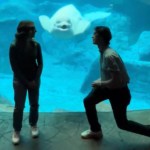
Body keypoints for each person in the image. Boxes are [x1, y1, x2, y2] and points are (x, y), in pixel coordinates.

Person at [81, 26, 150, 139]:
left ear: (101, 39)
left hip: (119, 93)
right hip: (109, 89)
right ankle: (95, 130)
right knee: (88, 101)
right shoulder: (103, 51)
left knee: (123, 124)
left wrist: (101, 83)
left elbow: (116, 81)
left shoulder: (109, 56)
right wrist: (101, 80)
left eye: (95, 35)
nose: (92, 36)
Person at [9, 20, 43, 144]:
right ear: (25, 31)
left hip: (34, 79)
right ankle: (16, 130)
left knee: (34, 104)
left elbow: (40, 63)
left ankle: (33, 124)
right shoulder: (14, 46)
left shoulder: (36, 45)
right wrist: (26, 82)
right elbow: (15, 67)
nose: (35, 31)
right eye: (33, 28)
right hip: (20, 80)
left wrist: (35, 79)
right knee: (19, 107)